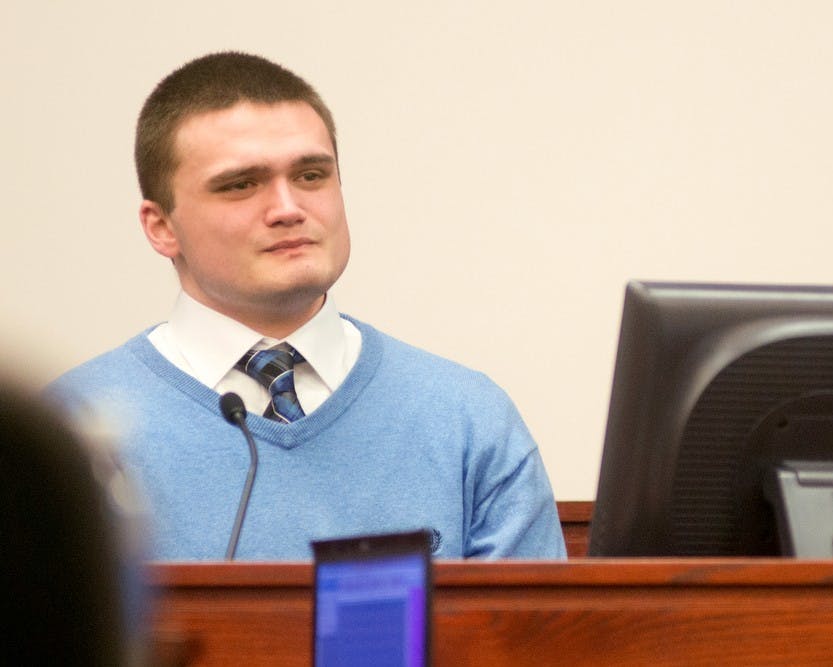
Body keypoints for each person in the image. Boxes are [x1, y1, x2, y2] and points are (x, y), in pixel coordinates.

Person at [48, 51, 566, 561]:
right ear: (161, 227)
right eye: (241, 185)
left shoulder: (467, 418)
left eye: (311, 175)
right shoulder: (65, 431)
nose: (288, 209)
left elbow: (532, 644)